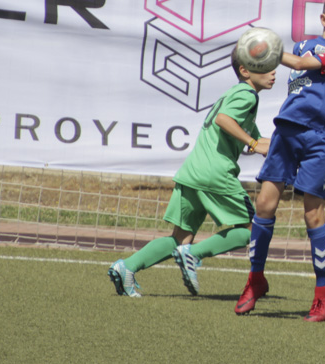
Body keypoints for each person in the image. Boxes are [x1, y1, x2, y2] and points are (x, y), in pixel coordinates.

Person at [234, 0, 325, 322]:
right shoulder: (304, 44)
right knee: (263, 205)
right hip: (286, 131)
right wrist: (262, 57)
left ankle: (324, 293)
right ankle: (255, 280)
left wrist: (269, 51)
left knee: (313, 215)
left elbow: (302, 65)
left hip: (319, 137)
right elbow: (298, 65)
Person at [108, 48, 275, 297]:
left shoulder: (235, 93)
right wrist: (251, 144)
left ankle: (126, 267)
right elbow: (224, 120)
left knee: (179, 238)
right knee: (251, 230)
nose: (273, 71)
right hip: (215, 173)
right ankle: (193, 255)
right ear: (245, 70)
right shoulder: (247, 95)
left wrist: (285, 146)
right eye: (265, 65)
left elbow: (258, 139)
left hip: (193, 171)